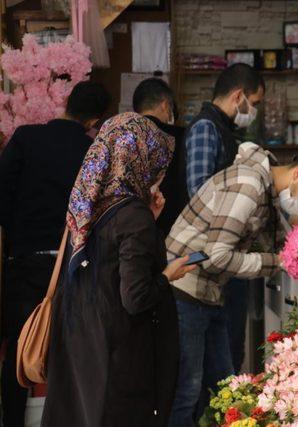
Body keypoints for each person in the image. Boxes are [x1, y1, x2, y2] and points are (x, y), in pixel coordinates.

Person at [167, 142, 298, 426]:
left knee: (225, 387)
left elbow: (278, 242)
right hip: (185, 289)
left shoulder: (265, 189)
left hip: (207, 293)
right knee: (187, 391)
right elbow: (216, 257)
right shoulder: (249, 185)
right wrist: (279, 262)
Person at [42, 112, 196, 427]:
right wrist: (170, 274)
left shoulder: (87, 202)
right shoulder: (132, 216)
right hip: (117, 356)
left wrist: (147, 222)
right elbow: (136, 297)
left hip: (80, 342)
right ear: (140, 158)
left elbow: (108, 259)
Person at [0, 81, 110, 427]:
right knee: (70, 353)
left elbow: (1, 195)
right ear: (95, 119)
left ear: (67, 104)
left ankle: (13, 420)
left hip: (26, 259)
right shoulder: (92, 151)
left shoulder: (24, 138)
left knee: (20, 348)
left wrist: (17, 231)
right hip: (73, 265)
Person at [184, 64, 264, 380]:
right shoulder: (206, 128)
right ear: (238, 96)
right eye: (254, 104)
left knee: (229, 351)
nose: (253, 111)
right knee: (222, 355)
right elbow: (199, 193)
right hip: (214, 256)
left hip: (225, 253)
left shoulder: (223, 129)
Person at [132, 77, 188, 237]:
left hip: (130, 224)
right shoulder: (180, 136)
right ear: (165, 104)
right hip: (172, 226)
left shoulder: (125, 135)